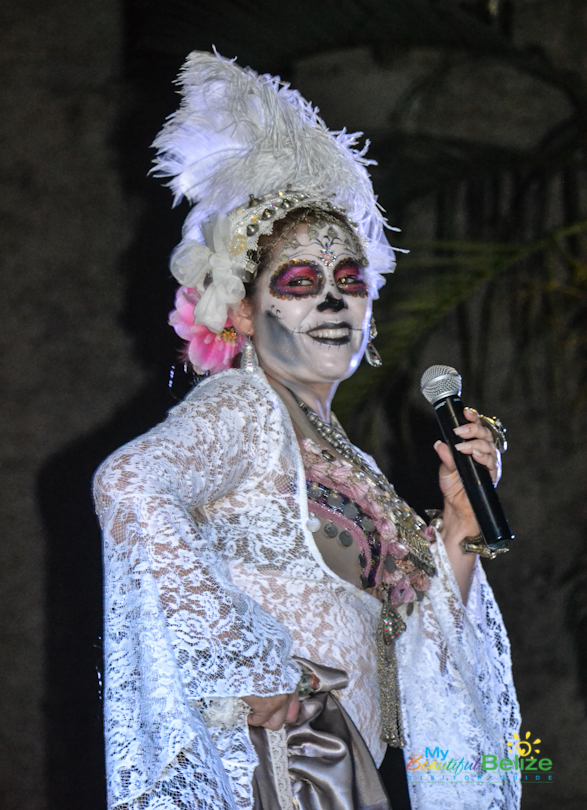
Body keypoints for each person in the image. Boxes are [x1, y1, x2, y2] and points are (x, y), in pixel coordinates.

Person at [93, 51, 520, 810]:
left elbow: (417, 656)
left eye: (349, 281)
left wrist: (459, 523)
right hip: (280, 770)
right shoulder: (244, 408)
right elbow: (128, 483)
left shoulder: (345, 457)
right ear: (243, 309)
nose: (331, 301)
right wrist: (241, 662)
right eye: (299, 282)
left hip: (341, 778)